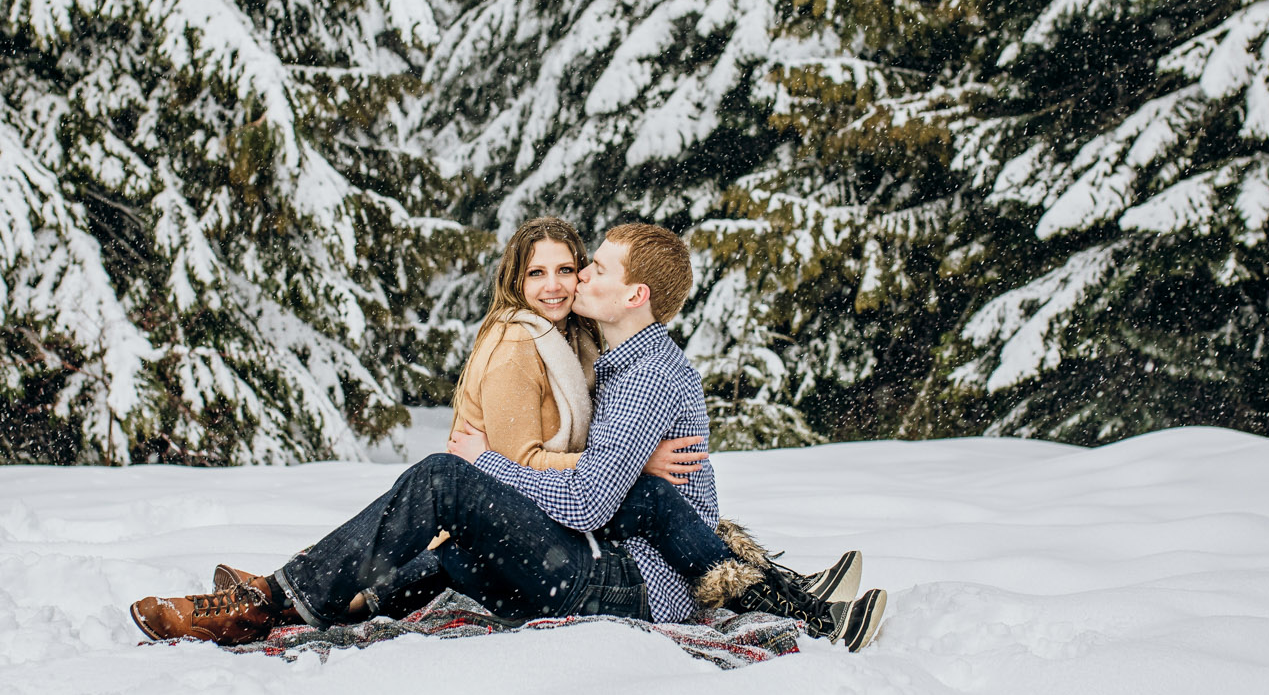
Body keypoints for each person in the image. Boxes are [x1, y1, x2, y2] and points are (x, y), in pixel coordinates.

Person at [129, 222, 887, 650]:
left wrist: (486, 462)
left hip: (627, 580)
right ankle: (304, 603)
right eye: (557, 270)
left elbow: (590, 497)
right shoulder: (616, 358)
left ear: (635, 294)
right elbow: (603, 474)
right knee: (455, 552)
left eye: (591, 268)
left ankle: (271, 596)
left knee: (442, 478)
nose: (576, 279)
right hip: (618, 559)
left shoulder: (646, 372)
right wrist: (628, 468)